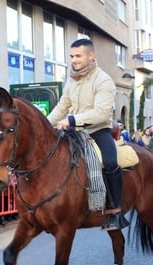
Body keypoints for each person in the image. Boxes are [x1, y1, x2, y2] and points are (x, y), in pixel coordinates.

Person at [47, 38, 124, 231]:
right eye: (72, 56)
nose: (74, 60)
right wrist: (45, 124)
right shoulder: (71, 80)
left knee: (110, 161)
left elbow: (101, 113)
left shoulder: (104, 80)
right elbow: (61, 107)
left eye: (78, 56)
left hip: (98, 130)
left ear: (91, 56)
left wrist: (72, 120)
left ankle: (114, 211)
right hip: (74, 132)